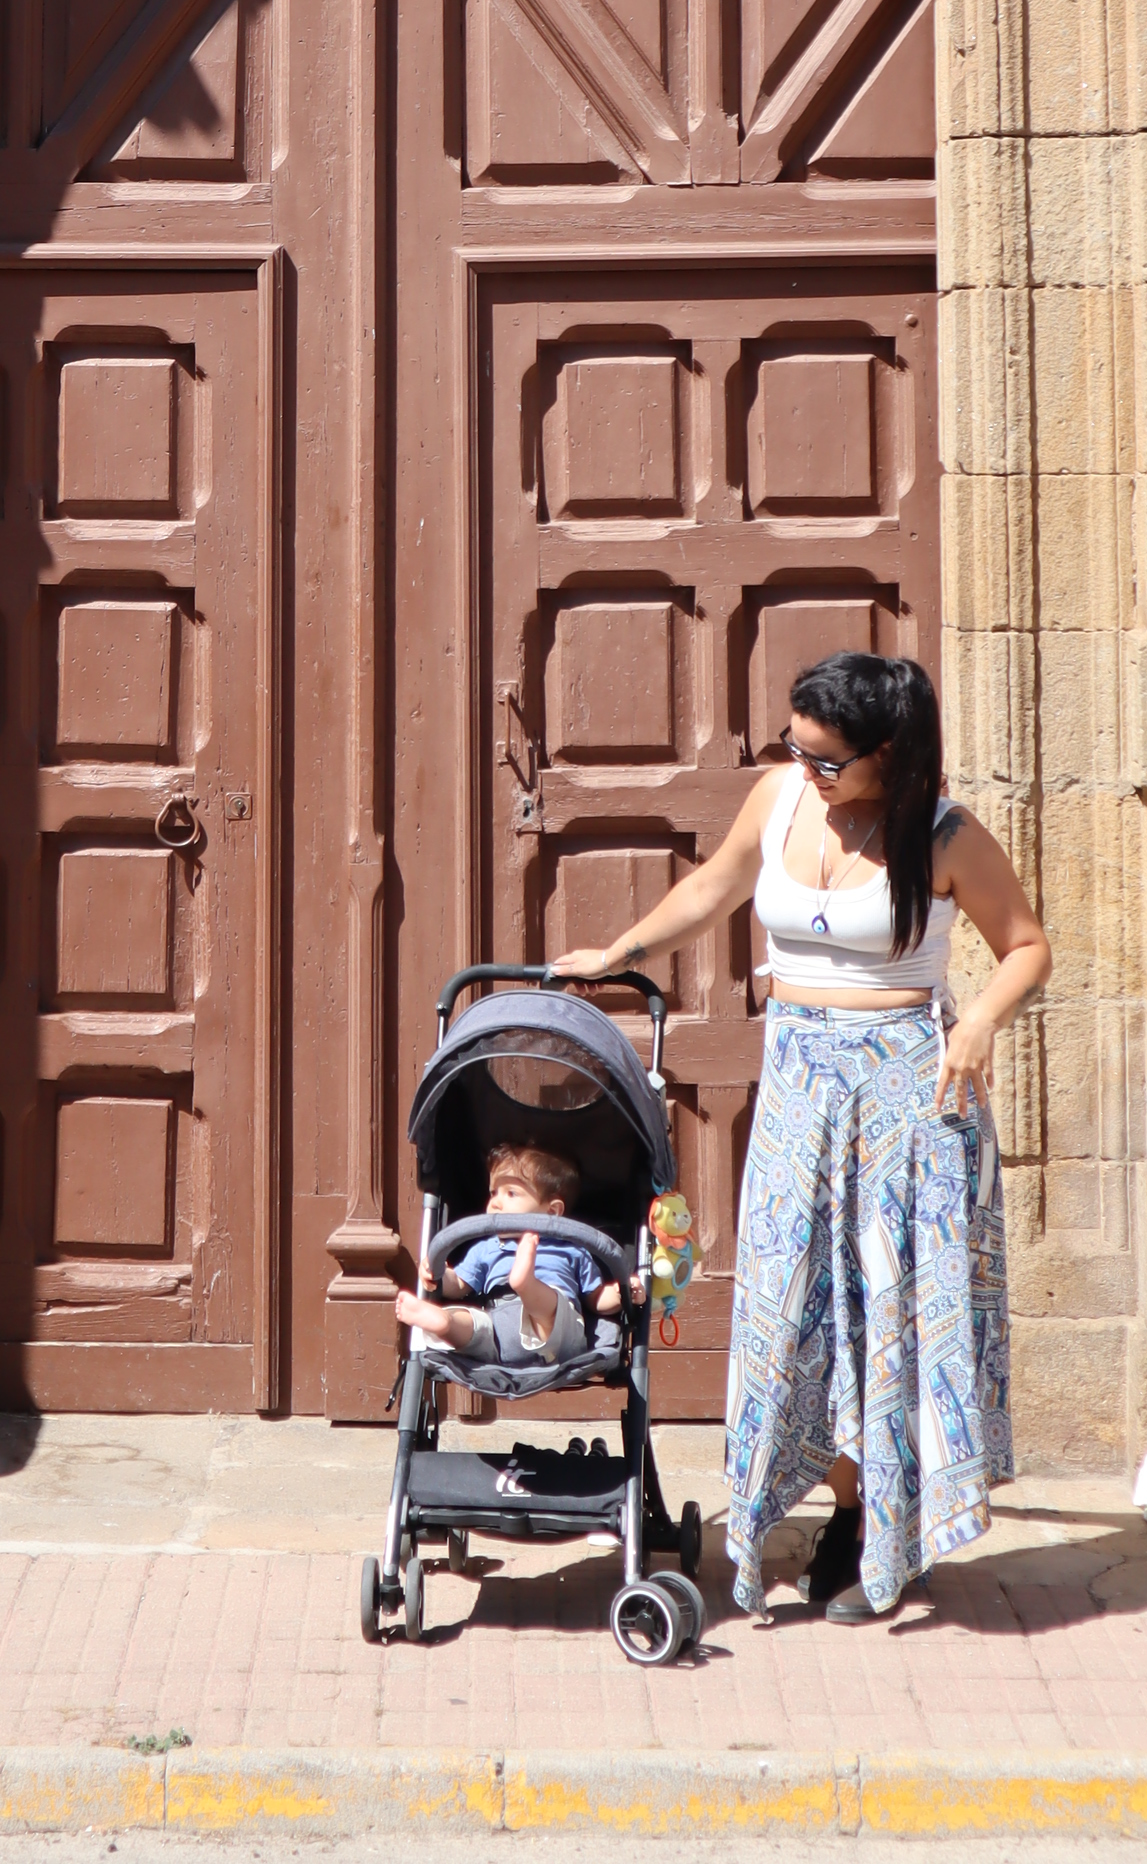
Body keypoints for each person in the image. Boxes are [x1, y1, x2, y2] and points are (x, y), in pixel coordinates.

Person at [553, 649, 1049, 1622]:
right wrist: (617, 954)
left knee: (886, 1312)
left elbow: (1027, 946)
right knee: (796, 1307)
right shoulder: (780, 797)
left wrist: (983, 1020)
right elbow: (712, 889)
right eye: (799, 747)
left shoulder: (944, 834)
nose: (808, 769)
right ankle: (831, 1509)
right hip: (796, 1092)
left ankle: (871, 1528)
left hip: (907, 1097)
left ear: (887, 754)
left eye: (829, 759)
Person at [393, 1138, 626, 1371]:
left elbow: (596, 1298)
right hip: (499, 1328)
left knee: (552, 1311)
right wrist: (439, 1274)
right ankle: (446, 1322)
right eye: (493, 1192)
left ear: (552, 1210)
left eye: (511, 1193)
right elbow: (460, 1284)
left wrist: (620, 1294)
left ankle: (527, 1284)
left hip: (555, 1338)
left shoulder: (571, 1248)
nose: (495, 1203)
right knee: (476, 1323)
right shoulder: (487, 1247)